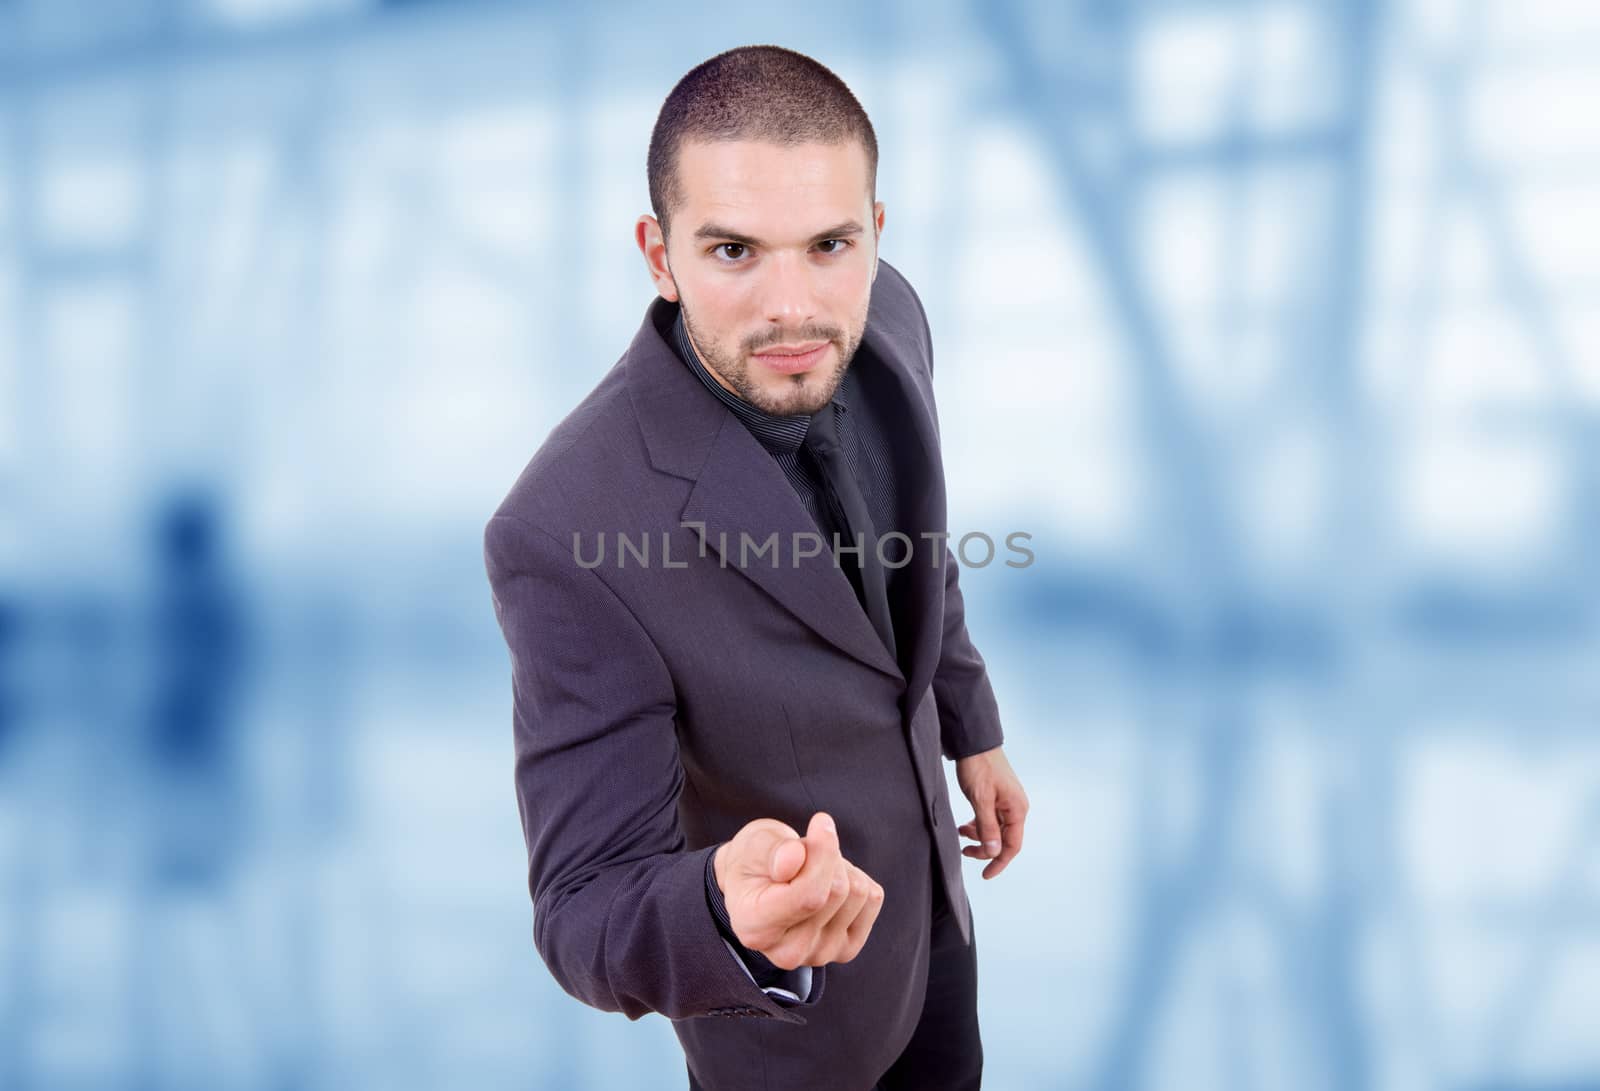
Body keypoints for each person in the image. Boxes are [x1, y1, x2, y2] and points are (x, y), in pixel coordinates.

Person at [483, 45, 1028, 1091]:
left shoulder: (890, 321)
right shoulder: (562, 527)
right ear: (658, 254)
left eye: (830, 242)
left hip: (935, 930)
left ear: (876, 235)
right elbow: (581, 905)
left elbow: (919, 555)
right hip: (789, 1021)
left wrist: (973, 726)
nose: (792, 307)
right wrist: (725, 912)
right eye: (733, 250)